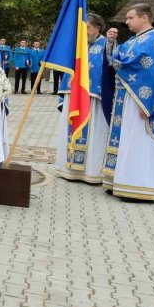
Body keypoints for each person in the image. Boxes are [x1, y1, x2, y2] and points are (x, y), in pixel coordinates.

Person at [103, 4, 154, 201]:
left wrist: (149, 105)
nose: (127, 22)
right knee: (126, 139)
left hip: (142, 101)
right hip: (126, 99)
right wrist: (110, 43)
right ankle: (120, 181)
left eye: (130, 18)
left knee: (140, 141)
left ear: (144, 18)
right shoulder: (134, 40)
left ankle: (140, 186)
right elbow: (117, 58)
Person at [53, 14, 109, 185]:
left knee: (93, 132)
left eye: (88, 28)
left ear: (98, 28)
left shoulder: (107, 45)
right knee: (70, 129)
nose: (85, 32)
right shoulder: (78, 45)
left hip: (94, 97)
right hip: (73, 93)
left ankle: (91, 171)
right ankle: (68, 168)